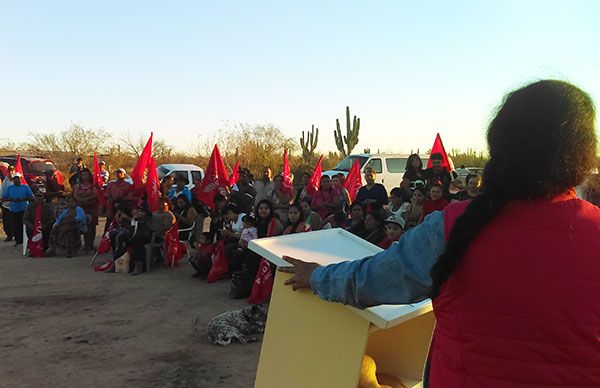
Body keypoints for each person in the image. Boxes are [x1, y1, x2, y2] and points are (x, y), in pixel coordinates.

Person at [279, 80, 600, 387]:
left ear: (500, 146)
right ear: (582, 156)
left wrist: (317, 277)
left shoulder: (453, 226)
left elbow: (372, 281)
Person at [1, 174, 34, 247]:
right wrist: (12, 199)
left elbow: (31, 197)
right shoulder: (10, 188)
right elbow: (4, 198)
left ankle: (27, 241)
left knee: (24, 226)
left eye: (18, 181)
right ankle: (18, 241)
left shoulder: (25, 187)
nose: (16, 182)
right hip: (13, 210)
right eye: (15, 181)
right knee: (15, 226)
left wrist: (22, 199)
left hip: (23, 209)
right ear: (13, 181)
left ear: (20, 180)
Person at [73, 168, 99, 252]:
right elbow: (75, 195)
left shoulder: (93, 185)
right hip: (81, 208)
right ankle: (84, 245)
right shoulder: (78, 186)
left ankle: (90, 245)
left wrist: (87, 199)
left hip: (92, 208)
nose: (85, 176)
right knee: (83, 226)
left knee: (91, 227)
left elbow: (96, 194)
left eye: (87, 175)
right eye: (83, 175)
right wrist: (80, 200)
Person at [128, 204, 153, 276]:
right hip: (137, 236)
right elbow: (132, 229)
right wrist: (133, 219)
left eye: (142, 212)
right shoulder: (137, 219)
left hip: (146, 237)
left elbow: (147, 231)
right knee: (122, 238)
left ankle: (139, 265)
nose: (140, 213)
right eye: (139, 211)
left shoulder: (148, 218)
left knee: (137, 242)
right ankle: (117, 262)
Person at [0, 165, 16, 241]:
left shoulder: (17, 179)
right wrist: (2, 198)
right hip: (6, 204)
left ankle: (17, 235)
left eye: (12, 170)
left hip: (15, 204)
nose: (11, 172)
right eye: (9, 171)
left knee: (15, 220)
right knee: (6, 221)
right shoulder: (5, 180)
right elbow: (2, 190)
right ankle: (9, 235)